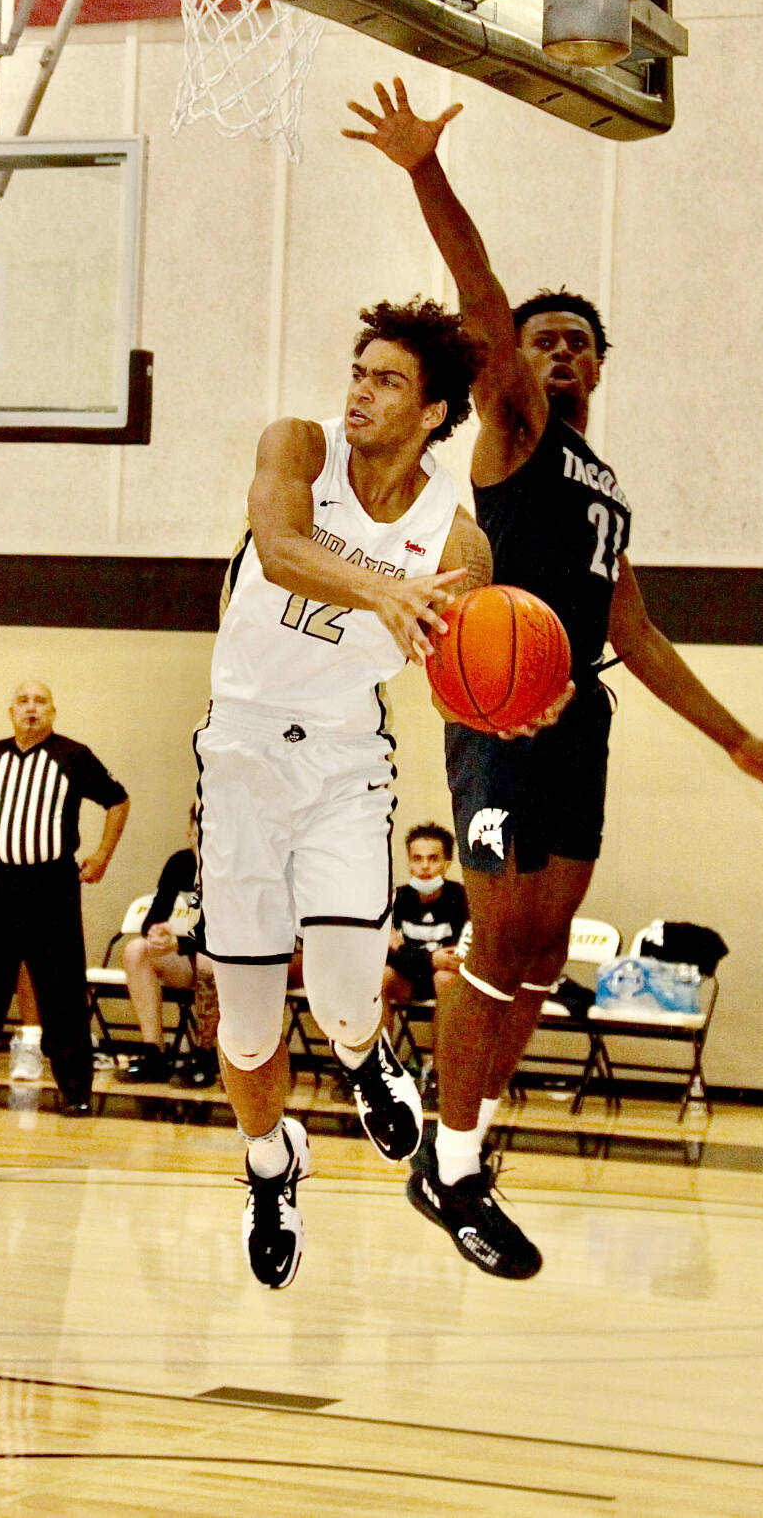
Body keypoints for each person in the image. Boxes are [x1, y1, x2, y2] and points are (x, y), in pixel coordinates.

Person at [346, 79, 763, 1280]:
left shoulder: (603, 480)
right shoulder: (510, 425)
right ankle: (449, 1165)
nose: (556, 349)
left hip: (582, 710)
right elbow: (474, 299)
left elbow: (638, 626)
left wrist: (738, 741)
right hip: (498, 704)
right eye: (541, 336)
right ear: (517, 361)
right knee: (498, 927)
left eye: (577, 340)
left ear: (600, 365)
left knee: (543, 943)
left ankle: (468, 1144)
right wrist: (423, 170)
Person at [195, 294, 561, 1290]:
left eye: (387, 380)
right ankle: (271, 1165)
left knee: (352, 994)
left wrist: (509, 706)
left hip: (344, 764)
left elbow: (470, 662)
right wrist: (380, 591)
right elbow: (276, 549)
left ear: (435, 412)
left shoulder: (457, 543)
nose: (358, 392)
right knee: (245, 1021)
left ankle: (364, 1062)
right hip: (238, 753)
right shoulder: (298, 448)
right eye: (358, 372)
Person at [0, 679, 129, 1114]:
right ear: (10, 712)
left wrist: (101, 855)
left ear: (53, 711)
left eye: (40, 701)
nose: (31, 708)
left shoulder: (74, 756)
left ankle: (76, 1091)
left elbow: (118, 802)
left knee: (61, 990)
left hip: (51, 887)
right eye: (23, 701)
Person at [117, 805, 214, 1086]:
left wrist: (180, 941)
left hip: (225, 966)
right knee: (136, 951)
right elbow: (154, 917)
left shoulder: (232, 871)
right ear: (190, 834)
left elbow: (224, 935)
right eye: (200, 833)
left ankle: (205, 1056)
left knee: (208, 960)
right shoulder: (180, 864)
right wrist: (157, 932)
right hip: (187, 956)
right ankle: (154, 1052)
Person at [382, 822, 467, 1085]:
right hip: (409, 981)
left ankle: (439, 1075)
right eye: (417, 859)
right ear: (408, 863)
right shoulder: (395, 899)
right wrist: (431, 958)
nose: (425, 867)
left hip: (447, 985)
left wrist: (404, 952)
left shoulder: (461, 898)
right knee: (381, 976)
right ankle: (379, 1070)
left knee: (445, 977)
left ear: (447, 863)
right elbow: (385, 953)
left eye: (433, 859)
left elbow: (456, 958)